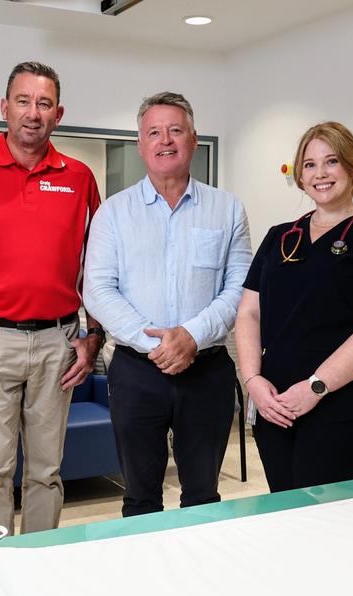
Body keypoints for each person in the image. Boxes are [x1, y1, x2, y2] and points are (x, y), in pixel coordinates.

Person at [0, 61, 104, 541]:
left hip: (58, 341)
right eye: (24, 101)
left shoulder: (79, 177)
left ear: (59, 113)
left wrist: (93, 337)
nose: (33, 113)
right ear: (4, 108)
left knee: (47, 471)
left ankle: (38, 565)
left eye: (44, 103)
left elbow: (97, 266)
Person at [84, 91, 251, 516]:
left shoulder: (227, 209)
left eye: (176, 130)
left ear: (193, 140)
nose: (166, 140)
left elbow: (240, 288)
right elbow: (98, 289)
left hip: (207, 370)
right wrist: (156, 344)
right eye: (154, 132)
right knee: (140, 497)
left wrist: (191, 337)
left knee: (203, 496)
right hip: (137, 372)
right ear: (140, 145)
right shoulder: (113, 213)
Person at [236, 121, 353, 492]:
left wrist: (315, 388)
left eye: (331, 161)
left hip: (342, 405)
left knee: (326, 517)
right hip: (276, 404)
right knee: (284, 507)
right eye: (310, 164)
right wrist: (253, 381)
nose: (320, 174)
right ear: (299, 174)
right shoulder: (280, 237)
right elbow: (250, 311)